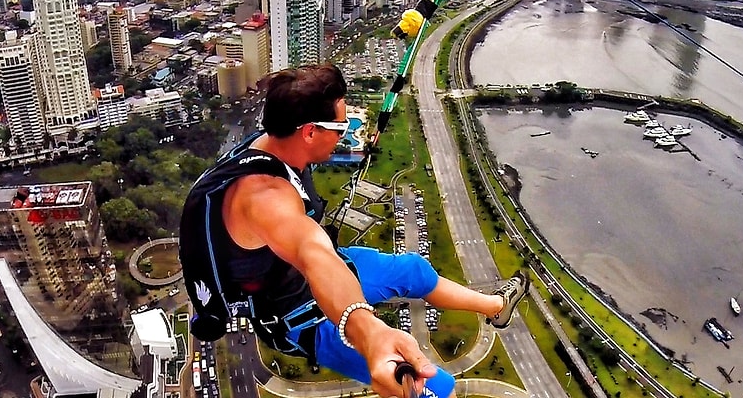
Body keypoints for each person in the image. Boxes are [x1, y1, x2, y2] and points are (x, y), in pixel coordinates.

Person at [180, 64, 529, 398]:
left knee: (414, 271)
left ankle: (496, 306)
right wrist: (370, 332)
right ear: (310, 131)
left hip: (309, 274)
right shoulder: (264, 199)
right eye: (341, 129)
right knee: (437, 389)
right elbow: (313, 253)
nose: (343, 136)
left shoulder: (269, 142)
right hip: (299, 317)